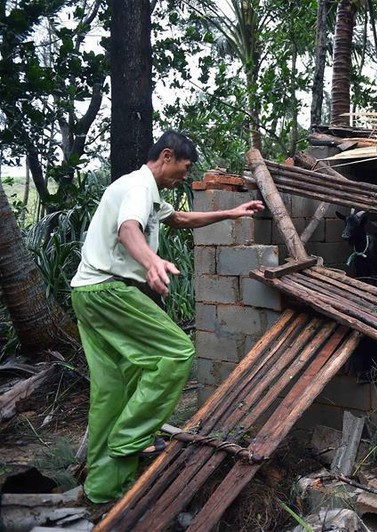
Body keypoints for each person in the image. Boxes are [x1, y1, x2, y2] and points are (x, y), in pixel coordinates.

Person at [70, 131, 264, 503]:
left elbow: (181, 219)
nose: (183, 177)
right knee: (176, 352)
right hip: (109, 291)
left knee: (111, 392)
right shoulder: (138, 188)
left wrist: (230, 212)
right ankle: (132, 439)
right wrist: (152, 261)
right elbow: (129, 229)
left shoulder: (146, 192)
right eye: (184, 168)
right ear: (167, 156)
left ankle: (103, 490)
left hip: (86, 294)